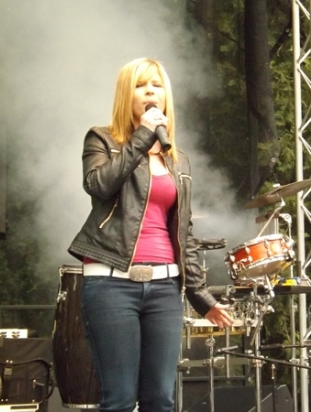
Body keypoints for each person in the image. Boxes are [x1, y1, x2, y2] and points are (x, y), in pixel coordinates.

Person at [68, 57, 234, 412]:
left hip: (164, 287)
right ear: (126, 95)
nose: (150, 92)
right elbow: (98, 185)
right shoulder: (102, 140)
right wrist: (141, 137)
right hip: (111, 283)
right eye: (141, 86)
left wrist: (201, 297)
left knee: (160, 398)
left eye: (156, 85)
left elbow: (184, 232)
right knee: (119, 399)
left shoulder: (178, 160)